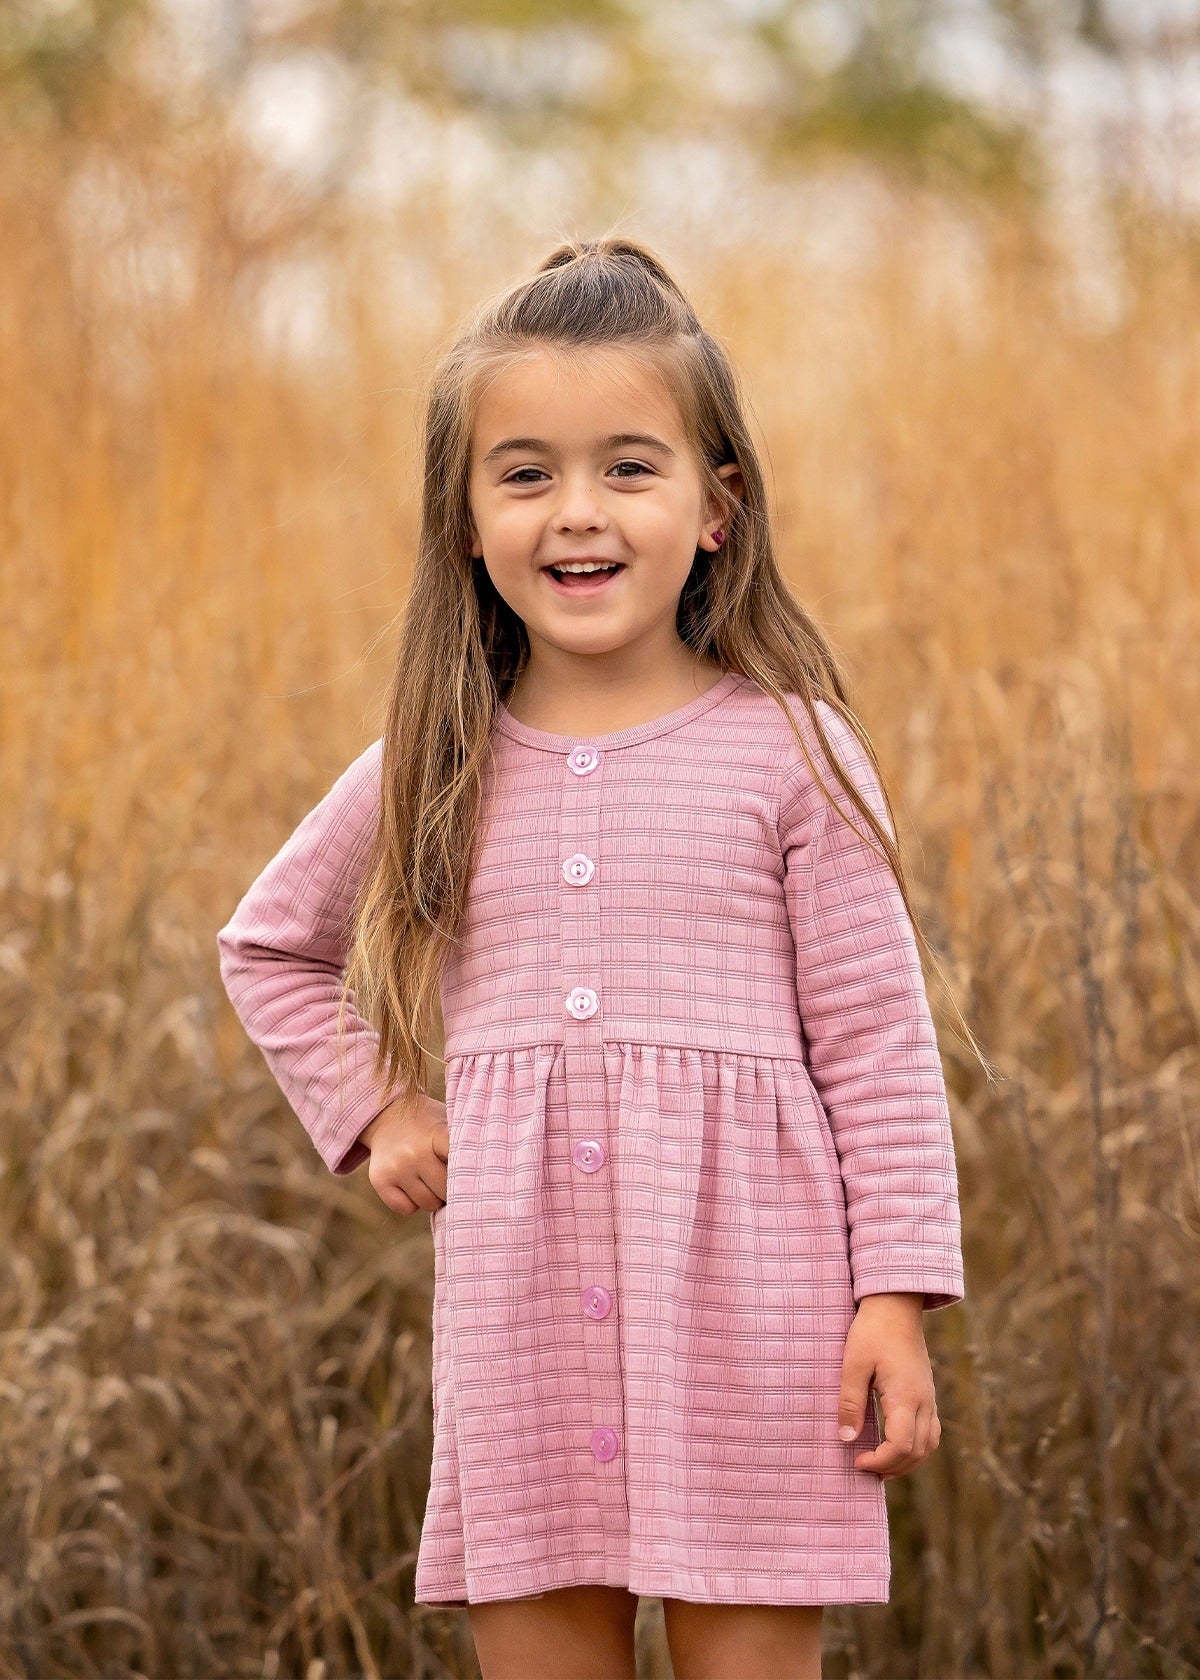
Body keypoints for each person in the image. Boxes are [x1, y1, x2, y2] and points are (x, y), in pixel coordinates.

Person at [216, 236, 973, 1680]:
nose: (579, 511)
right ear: (466, 519)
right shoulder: (431, 759)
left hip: (762, 1332)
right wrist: (381, 1103)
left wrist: (897, 1300)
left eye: (630, 467)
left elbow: (879, 1043)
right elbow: (270, 944)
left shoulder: (794, 753)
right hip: (523, 1333)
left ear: (715, 508)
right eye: (526, 473)